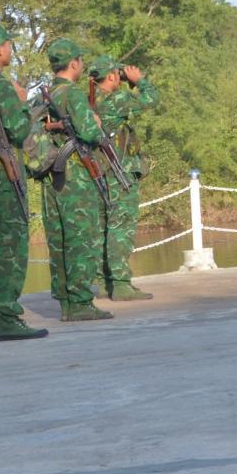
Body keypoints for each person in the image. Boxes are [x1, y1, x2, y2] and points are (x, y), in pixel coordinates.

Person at [0, 21, 49, 341]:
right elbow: (17, 130)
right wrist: (22, 101)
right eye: (8, 45)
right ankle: (5, 317)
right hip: (3, 176)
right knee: (8, 248)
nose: (11, 50)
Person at [39, 38, 113, 321]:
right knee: (81, 238)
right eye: (80, 61)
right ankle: (81, 302)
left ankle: (66, 301)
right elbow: (90, 134)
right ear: (73, 63)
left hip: (51, 174)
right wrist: (95, 124)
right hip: (76, 176)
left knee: (58, 239)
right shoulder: (73, 94)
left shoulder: (42, 95)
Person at [95, 56, 158, 301]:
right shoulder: (116, 99)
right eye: (117, 74)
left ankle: (104, 283)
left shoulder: (89, 101)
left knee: (102, 228)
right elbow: (152, 99)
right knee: (121, 228)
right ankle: (121, 285)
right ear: (111, 76)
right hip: (119, 173)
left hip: (99, 172)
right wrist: (139, 80)